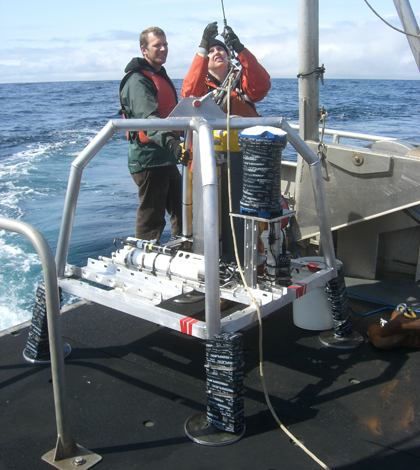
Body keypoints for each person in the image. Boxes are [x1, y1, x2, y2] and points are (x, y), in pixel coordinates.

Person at [119, 26, 190, 242]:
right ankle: (141, 259)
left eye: (165, 44)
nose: (162, 48)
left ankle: (182, 249)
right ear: (144, 49)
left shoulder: (159, 74)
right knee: (152, 218)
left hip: (166, 159)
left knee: (183, 209)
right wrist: (172, 143)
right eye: (156, 45)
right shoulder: (138, 81)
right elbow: (148, 120)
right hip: (149, 159)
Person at [181, 22, 271, 116]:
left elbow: (262, 86)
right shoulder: (202, 87)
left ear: (228, 56)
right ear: (205, 60)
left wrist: (240, 49)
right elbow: (189, 95)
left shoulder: (241, 82)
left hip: (245, 129)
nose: (217, 53)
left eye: (220, 49)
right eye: (211, 51)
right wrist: (203, 47)